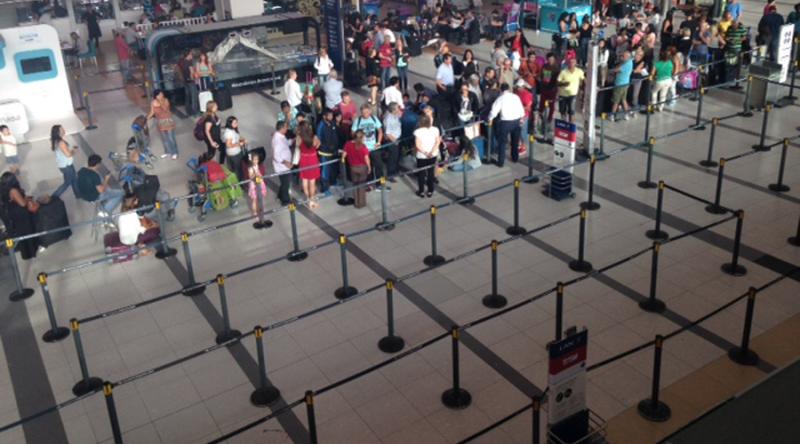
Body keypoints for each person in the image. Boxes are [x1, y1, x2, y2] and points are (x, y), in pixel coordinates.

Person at [0, 172, 39, 259]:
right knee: (27, 231)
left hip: (12, 213)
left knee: (22, 233)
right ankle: (31, 252)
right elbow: (22, 204)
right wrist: (27, 199)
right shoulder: (13, 190)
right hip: (20, 214)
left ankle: (26, 253)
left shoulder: (3, 188)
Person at [489, 83, 525, 167]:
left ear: (501, 90)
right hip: (516, 122)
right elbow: (521, 110)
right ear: (509, 89)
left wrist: (489, 119)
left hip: (505, 123)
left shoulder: (500, 98)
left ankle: (501, 162)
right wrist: (521, 119)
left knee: (502, 143)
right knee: (515, 142)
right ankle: (515, 158)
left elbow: (493, 112)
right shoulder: (516, 97)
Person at [351, 104, 383, 178]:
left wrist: (378, 142)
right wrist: (358, 142)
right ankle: (370, 184)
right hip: (363, 149)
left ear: (370, 111)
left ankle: (381, 183)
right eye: (363, 112)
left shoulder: (374, 118)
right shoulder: (357, 121)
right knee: (367, 167)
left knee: (379, 166)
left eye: (367, 112)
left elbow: (380, 131)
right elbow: (352, 133)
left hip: (374, 147)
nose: (365, 114)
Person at [413, 115, 441, 198]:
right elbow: (437, 142)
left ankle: (421, 191)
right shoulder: (435, 129)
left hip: (422, 155)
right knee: (430, 172)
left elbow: (417, 145)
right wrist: (431, 152)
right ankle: (430, 191)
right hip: (433, 154)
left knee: (421, 173)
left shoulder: (418, 132)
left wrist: (425, 153)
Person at [147, 89, 179, 159]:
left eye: (162, 94)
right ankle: (167, 152)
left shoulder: (166, 100)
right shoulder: (153, 102)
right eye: (160, 94)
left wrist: (160, 101)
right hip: (160, 122)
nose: (162, 95)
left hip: (168, 121)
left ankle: (174, 152)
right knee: (164, 139)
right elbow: (152, 112)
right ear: (156, 96)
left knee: (171, 138)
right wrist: (146, 118)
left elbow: (165, 109)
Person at [296, 121, 321, 209]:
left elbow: (297, 146)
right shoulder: (314, 137)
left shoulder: (299, 137)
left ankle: (308, 199)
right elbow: (317, 146)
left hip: (303, 159)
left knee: (305, 180)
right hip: (312, 159)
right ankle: (312, 200)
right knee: (312, 182)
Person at [343, 130, 371, 208]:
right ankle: (361, 203)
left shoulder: (348, 144)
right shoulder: (363, 146)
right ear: (361, 138)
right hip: (362, 168)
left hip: (353, 168)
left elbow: (344, 155)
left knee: (355, 185)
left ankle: (356, 202)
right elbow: (366, 158)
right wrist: (369, 167)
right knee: (361, 185)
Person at [50, 125, 79, 200]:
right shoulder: (61, 142)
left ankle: (78, 194)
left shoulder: (56, 141)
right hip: (66, 166)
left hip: (65, 165)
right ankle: (53, 197)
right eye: (62, 129)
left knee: (74, 179)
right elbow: (68, 154)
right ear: (58, 132)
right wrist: (74, 151)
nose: (64, 130)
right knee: (67, 183)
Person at [316, 109, 340, 194]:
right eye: (329, 115)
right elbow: (318, 138)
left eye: (331, 115)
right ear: (324, 116)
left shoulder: (333, 123)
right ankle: (325, 188)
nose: (331, 117)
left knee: (333, 168)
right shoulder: (320, 126)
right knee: (325, 171)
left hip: (333, 151)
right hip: (324, 152)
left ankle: (333, 182)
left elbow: (335, 136)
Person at [557, 57, 585, 123]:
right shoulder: (563, 72)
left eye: (573, 62)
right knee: (562, 111)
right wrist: (563, 84)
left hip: (573, 94)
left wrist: (583, 89)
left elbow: (584, 80)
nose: (571, 64)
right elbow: (557, 83)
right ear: (568, 63)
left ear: (575, 63)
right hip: (562, 94)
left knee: (571, 111)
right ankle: (564, 124)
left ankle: (571, 125)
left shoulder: (579, 71)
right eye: (570, 62)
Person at [272, 120, 293, 206]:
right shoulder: (277, 140)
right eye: (285, 127)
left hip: (284, 164)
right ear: (281, 128)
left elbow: (287, 143)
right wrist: (286, 162)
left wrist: (293, 140)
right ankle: (285, 200)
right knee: (286, 183)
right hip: (282, 166)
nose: (287, 129)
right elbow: (276, 156)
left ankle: (280, 195)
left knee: (284, 182)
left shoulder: (281, 136)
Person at [611, 51, 633, 121]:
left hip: (620, 84)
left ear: (627, 57)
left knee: (616, 101)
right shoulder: (630, 62)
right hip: (625, 83)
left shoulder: (626, 64)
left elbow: (617, 70)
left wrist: (611, 70)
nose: (622, 57)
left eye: (623, 56)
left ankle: (612, 115)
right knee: (623, 100)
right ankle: (626, 114)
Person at [382, 103, 402, 180]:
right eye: (397, 108)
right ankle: (390, 174)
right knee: (392, 158)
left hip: (397, 138)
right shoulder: (388, 119)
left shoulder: (394, 116)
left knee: (397, 156)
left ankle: (395, 170)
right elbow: (388, 133)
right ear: (393, 110)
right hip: (392, 141)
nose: (399, 109)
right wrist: (395, 141)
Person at [222, 116, 246, 181]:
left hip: (231, 154)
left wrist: (241, 138)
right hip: (235, 154)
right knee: (237, 169)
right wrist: (239, 144)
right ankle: (239, 184)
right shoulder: (229, 133)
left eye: (237, 122)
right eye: (235, 123)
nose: (237, 124)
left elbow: (235, 137)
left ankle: (235, 182)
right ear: (230, 124)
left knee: (233, 169)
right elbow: (228, 145)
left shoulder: (231, 129)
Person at [244, 151, 267, 217]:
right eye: (255, 159)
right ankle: (254, 212)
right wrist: (255, 173)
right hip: (254, 184)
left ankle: (259, 209)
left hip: (259, 182)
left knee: (260, 198)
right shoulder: (250, 168)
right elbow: (250, 176)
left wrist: (259, 175)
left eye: (257, 159)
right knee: (254, 199)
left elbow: (258, 172)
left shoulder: (256, 165)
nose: (257, 161)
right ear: (251, 160)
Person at [176, 49, 198, 116]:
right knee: (194, 97)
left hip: (184, 81)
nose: (192, 55)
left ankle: (188, 111)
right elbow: (191, 73)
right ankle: (195, 112)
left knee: (187, 96)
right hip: (190, 81)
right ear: (188, 54)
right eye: (191, 54)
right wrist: (194, 78)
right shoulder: (189, 62)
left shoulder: (181, 61)